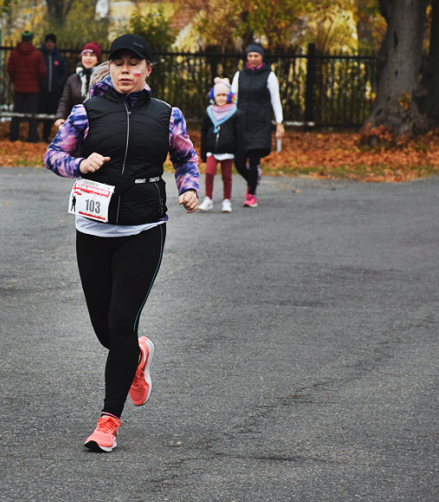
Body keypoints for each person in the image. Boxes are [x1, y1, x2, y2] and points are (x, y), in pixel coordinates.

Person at [44, 34, 200, 453]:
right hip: (93, 229)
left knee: (120, 322)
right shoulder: (86, 111)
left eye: (135, 63)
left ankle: (108, 421)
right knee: (105, 331)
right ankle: (138, 355)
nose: (126, 69)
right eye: (119, 63)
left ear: (149, 69)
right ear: (109, 68)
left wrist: (189, 188)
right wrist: (80, 163)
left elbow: (185, 158)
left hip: (144, 228)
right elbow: (53, 155)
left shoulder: (168, 115)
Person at [231, 42, 284, 208]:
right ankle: (254, 179)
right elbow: (233, 99)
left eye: (256, 56)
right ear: (247, 57)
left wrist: (280, 123)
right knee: (239, 162)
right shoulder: (239, 75)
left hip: (259, 124)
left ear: (262, 57)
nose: (253, 59)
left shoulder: (269, 76)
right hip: (241, 123)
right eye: (250, 56)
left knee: (254, 160)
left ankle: (250, 194)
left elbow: (276, 100)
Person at [198, 77, 244, 213]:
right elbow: (204, 132)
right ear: (214, 96)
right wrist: (203, 151)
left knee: (227, 177)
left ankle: (226, 201)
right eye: (218, 95)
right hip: (212, 150)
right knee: (209, 173)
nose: (221, 98)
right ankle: (208, 199)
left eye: (224, 95)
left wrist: (239, 153)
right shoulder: (209, 112)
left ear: (229, 96)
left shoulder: (235, 112)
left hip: (228, 151)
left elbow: (239, 135)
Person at [7, 31, 47, 143]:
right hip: (33, 88)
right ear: (31, 39)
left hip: (19, 87)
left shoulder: (15, 53)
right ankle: (32, 137)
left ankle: (13, 136)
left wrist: (16, 80)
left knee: (16, 113)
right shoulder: (36, 54)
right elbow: (42, 72)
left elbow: (10, 69)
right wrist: (36, 82)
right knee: (32, 115)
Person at [54, 42, 102, 127]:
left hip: (98, 125)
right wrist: (60, 117)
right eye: (85, 55)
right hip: (76, 124)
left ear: (98, 59)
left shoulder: (104, 79)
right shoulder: (72, 79)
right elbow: (65, 101)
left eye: (92, 55)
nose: (88, 58)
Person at [38, 34, 68, 142]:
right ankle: (35, 135)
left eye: (51, 41)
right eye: (48, 41)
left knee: (51, 115)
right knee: (38, 114)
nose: (49, 44)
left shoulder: (59, 58)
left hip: (54, 92)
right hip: (41, 91)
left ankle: (46, 136)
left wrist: (59, 85)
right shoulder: (40, 56)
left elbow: (64, 73)